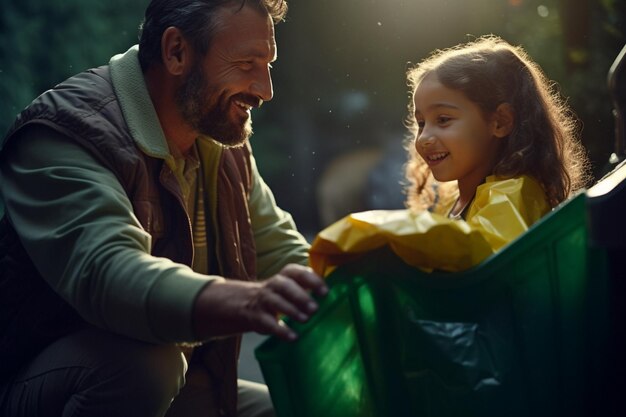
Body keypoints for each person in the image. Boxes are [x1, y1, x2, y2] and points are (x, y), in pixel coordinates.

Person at [0, 1, 327, 416]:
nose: (265, 90)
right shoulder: (63, 134)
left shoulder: (219, 137)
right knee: (146, 365)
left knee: (297, 406)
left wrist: (368, 299)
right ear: (176, 52)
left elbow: (283, 252)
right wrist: (245, 301)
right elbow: (109, 275)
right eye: (247, 63)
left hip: (178, 388)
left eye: (268, 65)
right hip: (45, 385)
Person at [308, 35, 591, 275]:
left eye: (443, 119)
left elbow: (486, 258)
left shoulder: (514, 191)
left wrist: (390, 232)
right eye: (421, 123)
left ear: (500, 122)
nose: (424, 138)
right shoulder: (454, 202)